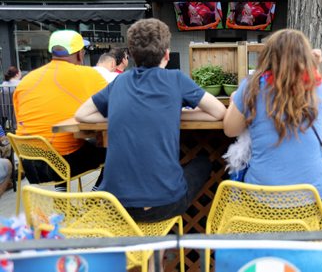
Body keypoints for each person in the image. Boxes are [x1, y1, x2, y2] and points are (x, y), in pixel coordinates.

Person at [75, 18, 226, 222]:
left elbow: (82, 114)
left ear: (132, 55)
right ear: (166, 54)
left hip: (115, 206)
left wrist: (125, 116)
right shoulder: (176, 79)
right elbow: (218, 112)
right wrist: (172, 113)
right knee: (203, 163)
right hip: (163, 205)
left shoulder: (121, 81)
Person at [223, 29, 322, 206]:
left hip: (262, 199)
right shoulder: (319, 87)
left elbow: (230, 130)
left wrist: (234, 99)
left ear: (267, 55)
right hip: (314, 199)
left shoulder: (251, 87)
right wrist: (315, 68)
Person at [13, 30, 107, 191]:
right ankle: (96, 195)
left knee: (59, 141)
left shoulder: (26, 80)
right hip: (63, 163)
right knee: (116, 152)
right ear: (79, 54)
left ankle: (61, 199)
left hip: (30, 164)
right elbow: (115, 103)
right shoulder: (88, 74)